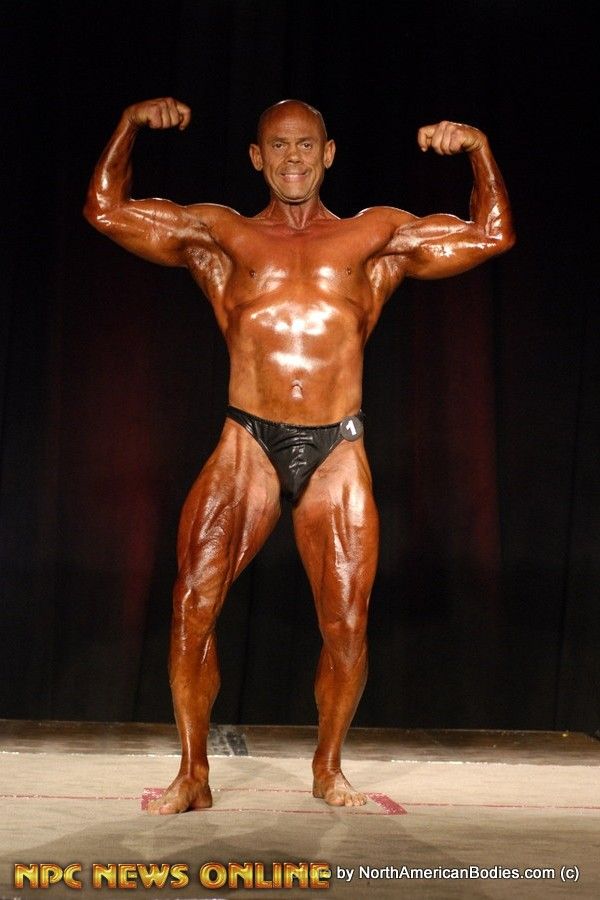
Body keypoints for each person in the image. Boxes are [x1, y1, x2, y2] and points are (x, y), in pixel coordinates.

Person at [84, 96, 515, 814]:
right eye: (279, 146)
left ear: (328, 153)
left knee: (346, 625)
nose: (293, 158)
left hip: (336, 447)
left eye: (306, 145)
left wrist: (478, 149)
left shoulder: (374, 236)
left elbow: (492, 233)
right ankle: (193, 772)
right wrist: (127, 125)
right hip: (247, 440)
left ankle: (328, 767)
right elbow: (106, 210)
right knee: (193, 604)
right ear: (258, 158)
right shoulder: (221, 235)